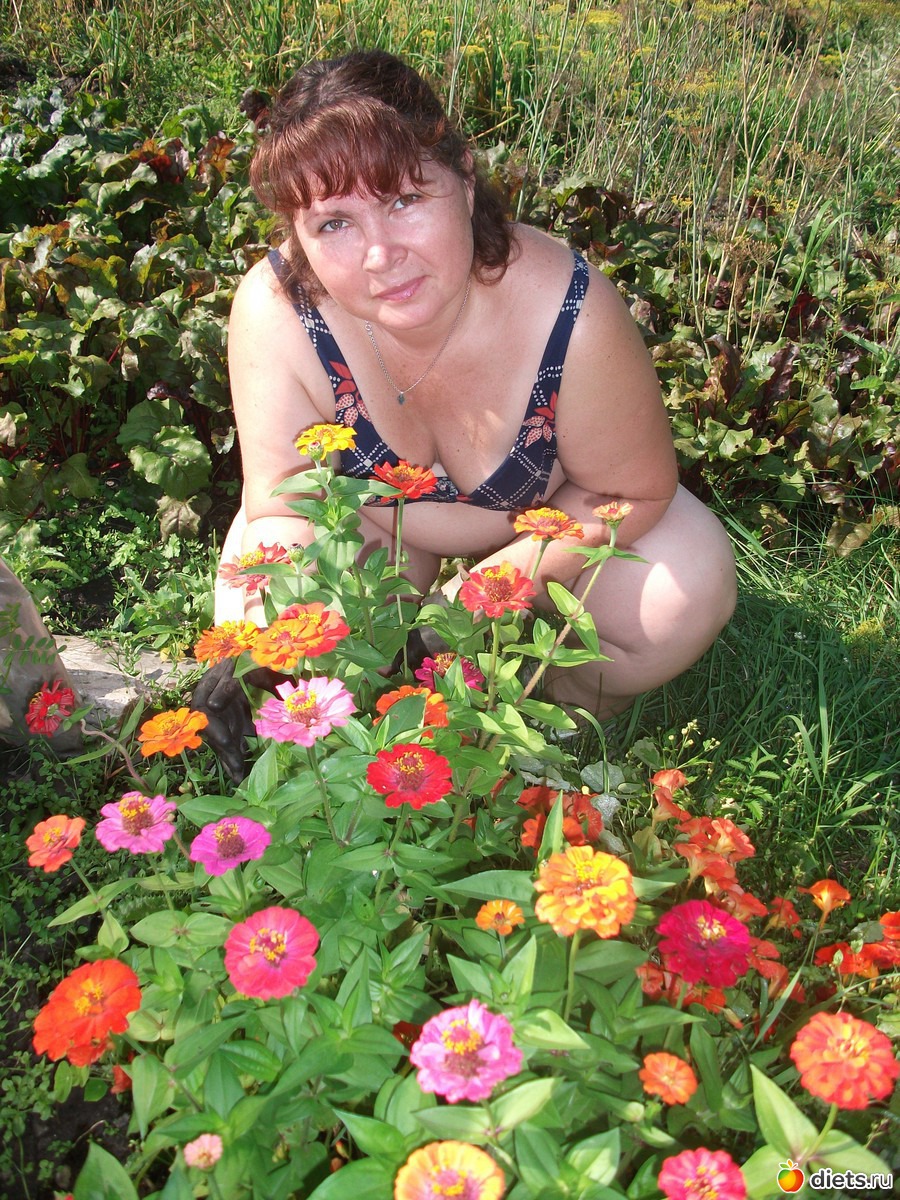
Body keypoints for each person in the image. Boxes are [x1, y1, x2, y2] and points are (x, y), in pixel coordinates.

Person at [201, 49, 736, 773]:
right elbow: (281, 503)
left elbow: (631, 492)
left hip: (544, 532)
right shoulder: (280, 313)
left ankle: (530, 721)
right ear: (296, 232)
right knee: (271, 617)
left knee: (681, 588)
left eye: (404, 200)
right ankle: (353, 737)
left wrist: (470, 600)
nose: (380, 254)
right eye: (333, 224)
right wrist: (273, 644)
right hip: (375, 531)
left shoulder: (570, 314)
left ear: (463, 175)